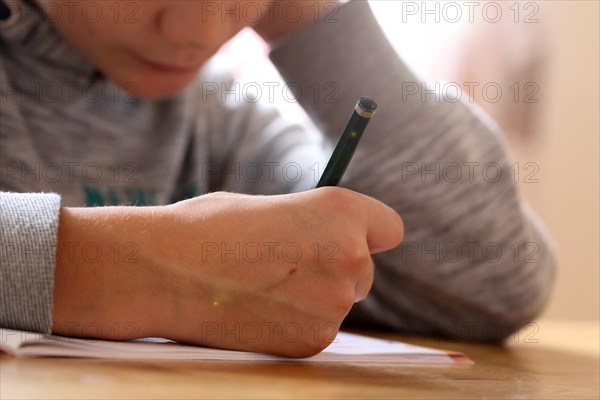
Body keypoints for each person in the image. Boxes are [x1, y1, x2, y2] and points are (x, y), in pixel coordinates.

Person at [0, 0, 555, 358]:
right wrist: (144, 268)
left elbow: (495, 286)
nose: (197, 31)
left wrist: (315, 19)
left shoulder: (213, 112)